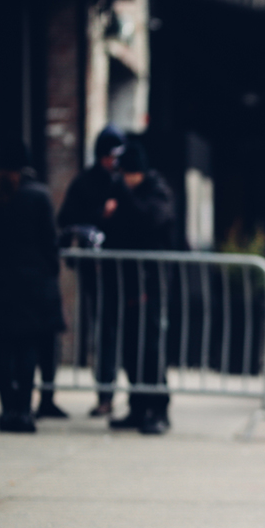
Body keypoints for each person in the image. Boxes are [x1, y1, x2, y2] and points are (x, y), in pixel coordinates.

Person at [0, 141, 65, 433]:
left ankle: (8, 409)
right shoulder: (39, 196)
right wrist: (51, 270)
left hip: (1, 282)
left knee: (3, 347)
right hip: (34, 284)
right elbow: (51, 242)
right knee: (27, 348)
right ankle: (23, 412)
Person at [102, 140, 180, 435]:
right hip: (126, 283)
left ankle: (158, 408)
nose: (126, 180)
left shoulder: (156, 192)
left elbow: (151, 220)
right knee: (130, 347)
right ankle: (138, 406)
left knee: (150, 347)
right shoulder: (122, 190)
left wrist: (121, 198)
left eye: (129, 174)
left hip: (152, 281)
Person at [58, 124, 126, 417]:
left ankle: (117, 395)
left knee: (115, 332)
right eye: (112, 156)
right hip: (97, 271)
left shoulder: (123, 181)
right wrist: (100, 215)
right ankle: (105, 394)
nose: (116, 162)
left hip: (122, 271)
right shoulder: (86, 183)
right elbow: (67, 219)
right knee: (103, 332)